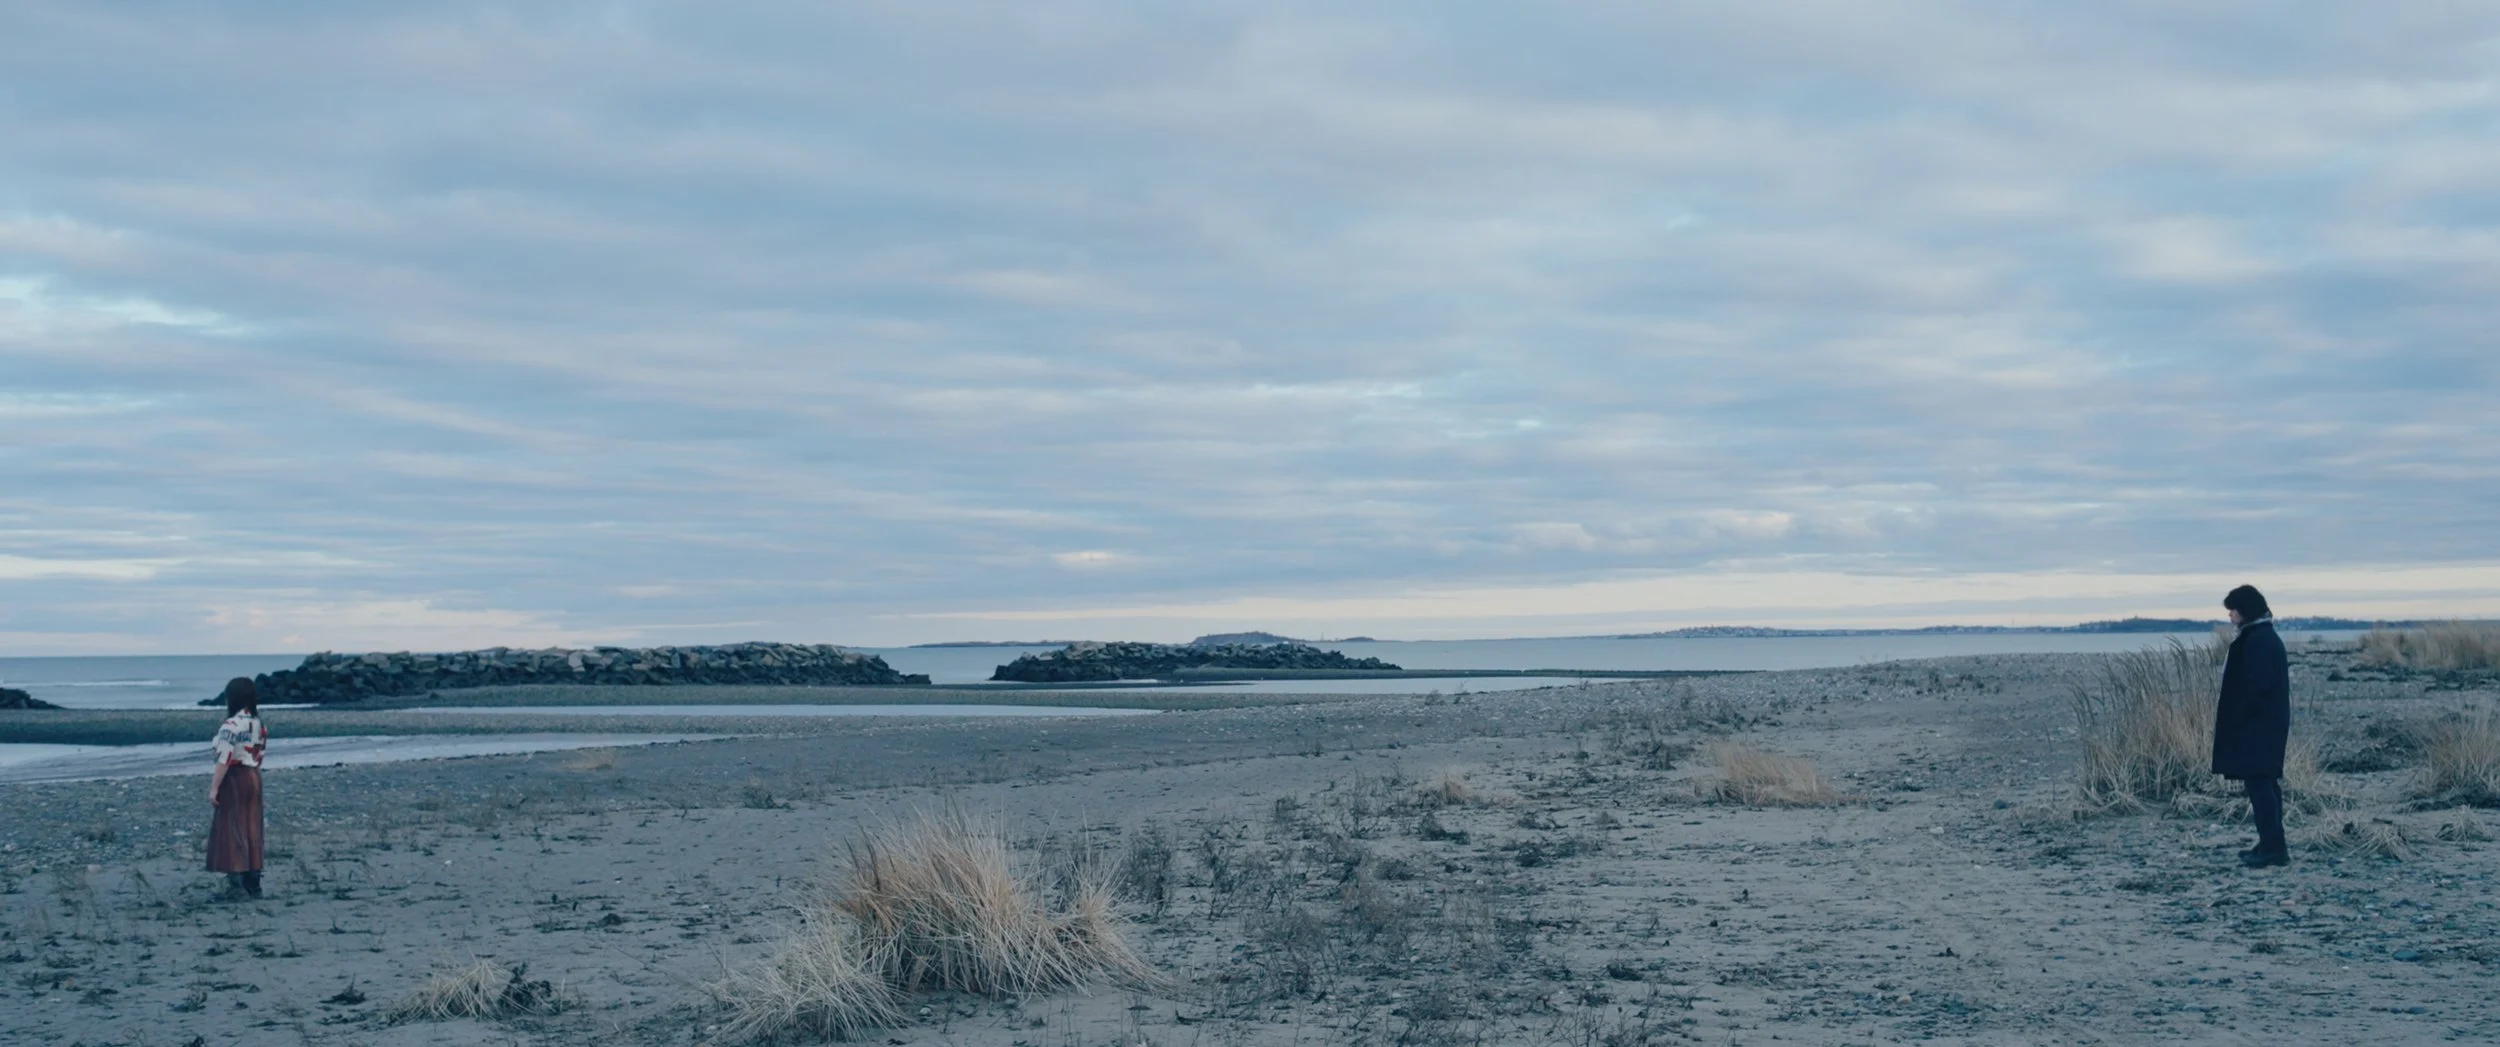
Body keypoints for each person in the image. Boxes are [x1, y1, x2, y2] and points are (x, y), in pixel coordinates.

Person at [2213, 585, 2291, 868]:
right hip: (2264, 723)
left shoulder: (2259, 639)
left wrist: (2240, 716)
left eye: (2233, 610)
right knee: (2264, 782)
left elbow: (2256, 686)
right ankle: (2270, 843)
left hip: (2260, 724)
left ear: (2245, 610)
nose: (2230, 616)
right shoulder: (2260, 636)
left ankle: (2274, 847)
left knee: (2260, 783)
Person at [207, 677, 267, 898]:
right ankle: (254, 882)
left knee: (232, 827)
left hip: (235, 777)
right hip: (254, 775)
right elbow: (260, 754)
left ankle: (236, 884)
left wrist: (214, 788)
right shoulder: (258, 723)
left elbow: (225, 757)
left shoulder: (231, 725)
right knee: (252, 826)